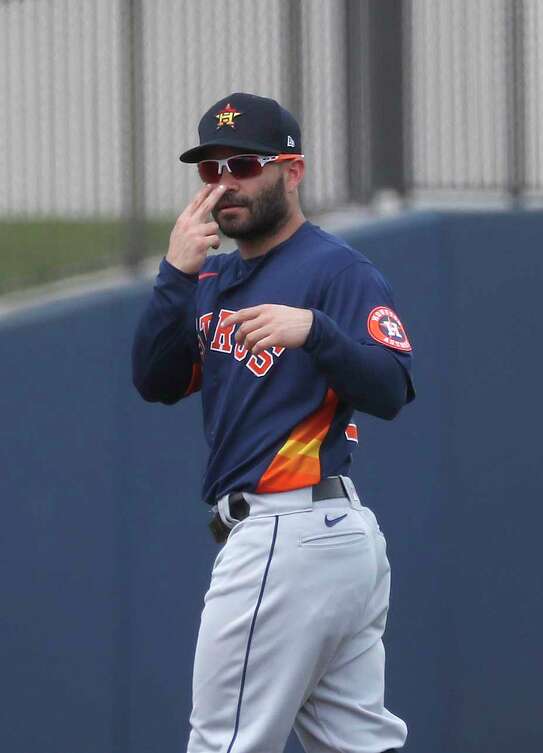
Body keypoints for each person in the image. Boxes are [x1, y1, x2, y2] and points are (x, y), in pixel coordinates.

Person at [131, 92, 413, 753]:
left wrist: (316, 330)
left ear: (293, 170)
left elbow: (392, 386)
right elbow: (155, 379)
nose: (226, 183)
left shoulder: (336, 269)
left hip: (287, 533)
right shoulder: (213, 278)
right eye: (211, 169)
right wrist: (174, 273)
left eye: (244, 164)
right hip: (320, 543)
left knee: (223, 744)